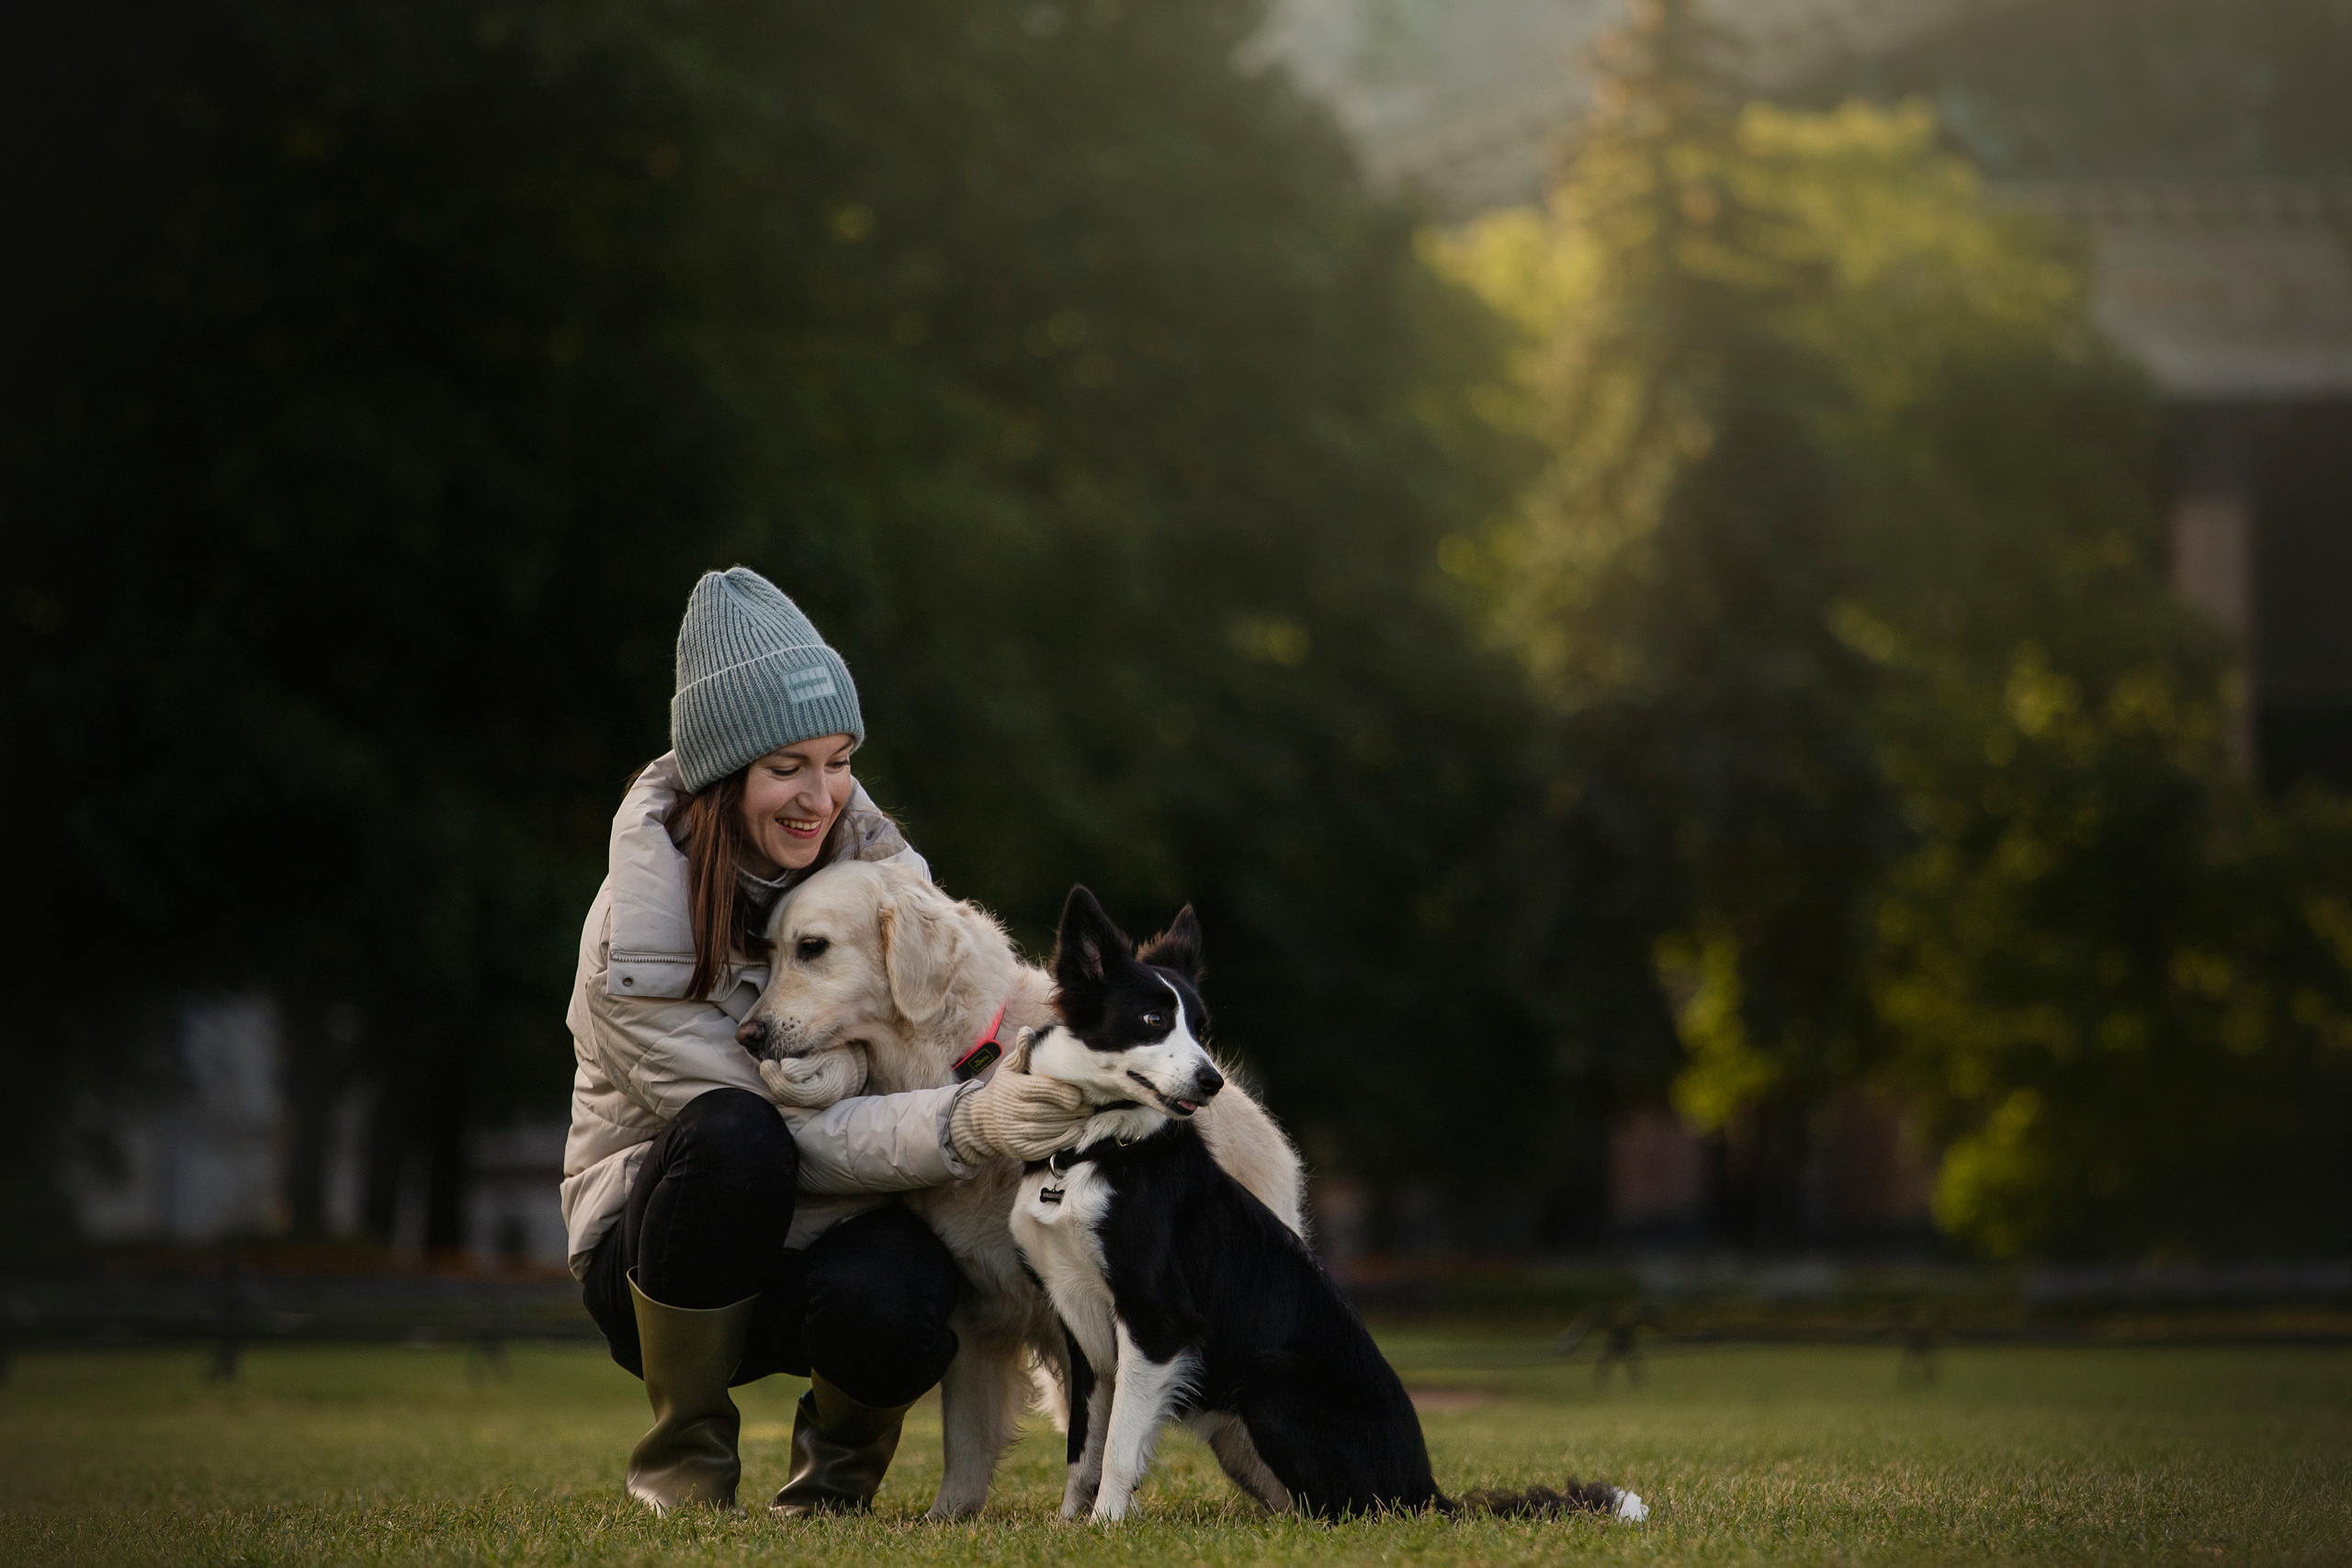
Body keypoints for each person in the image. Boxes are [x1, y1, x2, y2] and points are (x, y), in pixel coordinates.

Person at [561, 567, 1094, 1516]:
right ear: (725, 775)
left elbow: (939, 1045)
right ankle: (684, 1467)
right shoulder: (634, 934)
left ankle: (836, 1480)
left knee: (907, 1288)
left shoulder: (884, 883)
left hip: (843, 1215)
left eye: (839, 758)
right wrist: (972, 1124)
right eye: (787, 767)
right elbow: (788, 1134)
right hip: (669, 1242)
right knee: (737, 1131)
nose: (824, 796)